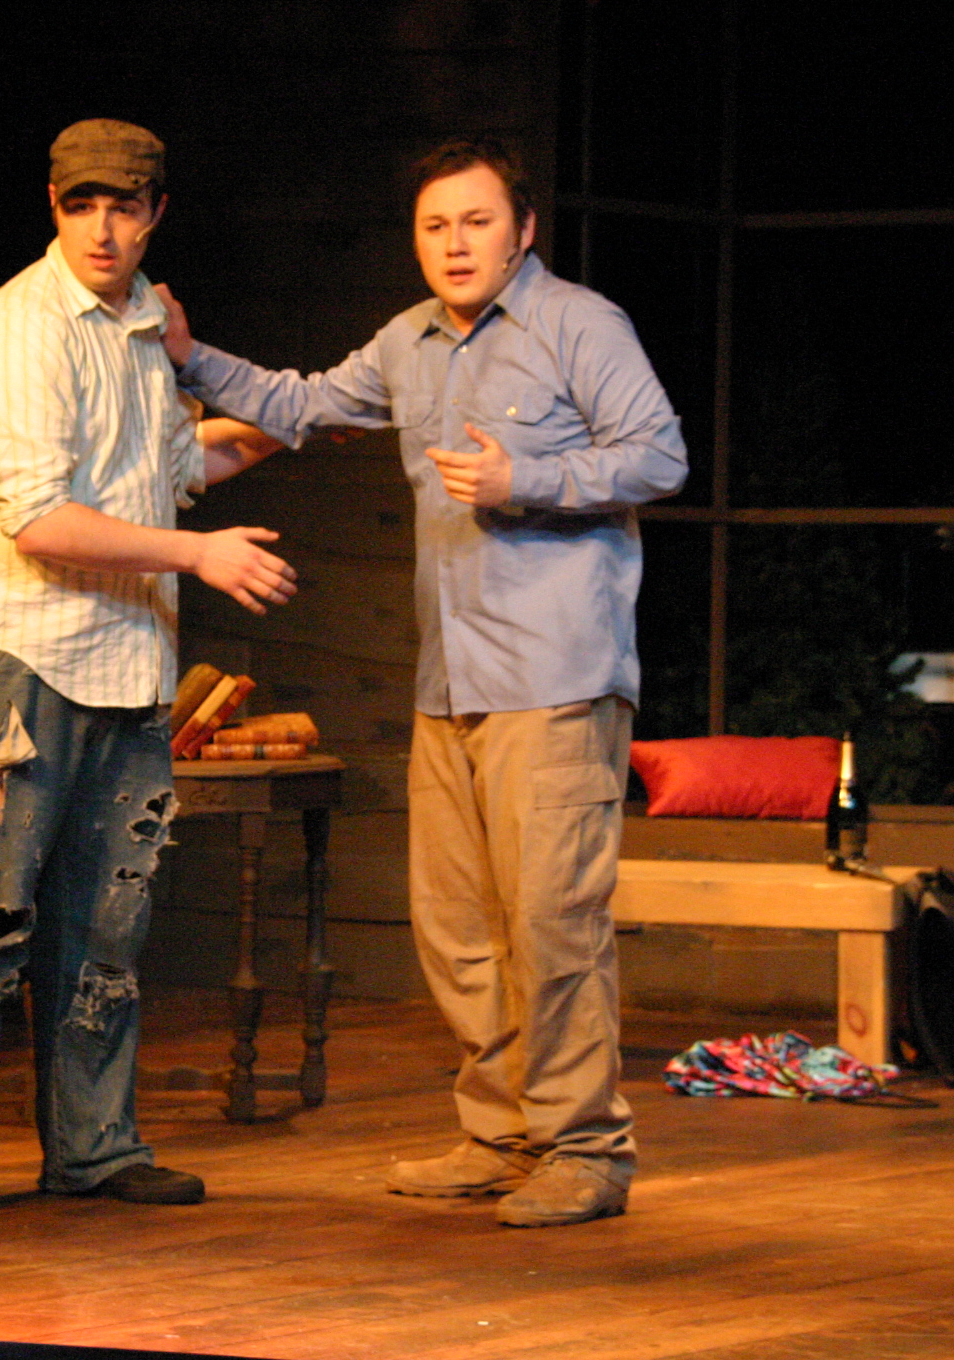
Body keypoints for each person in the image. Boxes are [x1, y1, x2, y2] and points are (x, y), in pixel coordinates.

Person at [166, 137, 688, 1228]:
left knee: (552, 922)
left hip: (554, 675)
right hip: (450, 677)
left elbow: (658, 456)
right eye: (434, 227)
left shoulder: (578, 324)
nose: (455, 244)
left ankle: (585, 1148)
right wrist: (190, 355)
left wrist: (524, 477)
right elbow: (301, 405)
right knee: (456, 926)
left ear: (523, 230)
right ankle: (500, 1135)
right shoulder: (408, 341)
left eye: (476, 222)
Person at [0, 118, 295, 1227]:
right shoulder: (19, 326)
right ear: (54, 205)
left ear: (156, 213)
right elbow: (40, 520)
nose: (102, 228)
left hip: (126, 662)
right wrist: (198, 557)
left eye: (123, 206)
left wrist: (293, 426)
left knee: (107, 927)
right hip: (18, 654)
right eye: (81, 205)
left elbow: (175, 466)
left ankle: (94, 1146)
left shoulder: (147, 327)